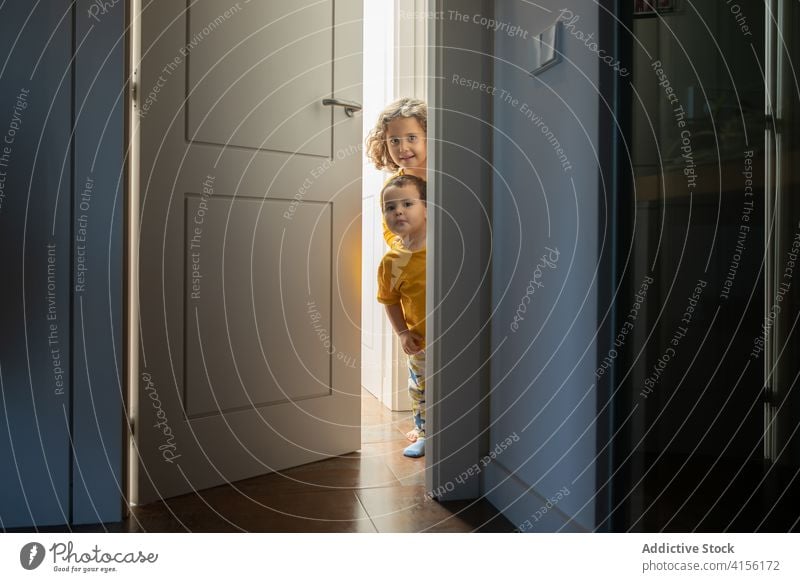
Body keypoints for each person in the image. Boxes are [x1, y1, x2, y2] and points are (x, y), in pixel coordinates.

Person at [376, 174, 427, 457]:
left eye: (407, 203)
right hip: (420, 341)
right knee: (420, 390)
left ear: (427, 208)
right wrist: (402, 333)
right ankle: (424, 433)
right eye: (389, 207)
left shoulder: (443, 246)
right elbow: (390, 300)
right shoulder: (392, 262)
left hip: (455, 336)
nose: (398, 211)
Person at [366, 97, 427, 249]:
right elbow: (389, 230)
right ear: (384, 144)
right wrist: (403, 246)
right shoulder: (392, 187)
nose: (402, 148)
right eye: (394, 141)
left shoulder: (444, 177)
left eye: (411, 138)